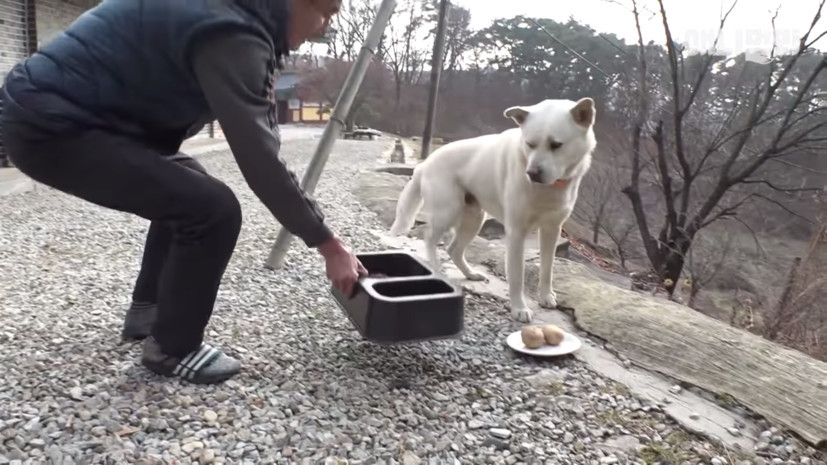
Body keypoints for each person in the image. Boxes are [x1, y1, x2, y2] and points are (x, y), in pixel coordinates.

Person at [0, 0, 368, 385]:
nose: (322, 26)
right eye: (325, 12)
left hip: (61, 111)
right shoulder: (234, 32)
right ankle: (174, 348)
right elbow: (260, 159)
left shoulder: (231, 15)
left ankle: (148, 312)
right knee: (214, 210)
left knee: (191, 190)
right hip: (55, 125)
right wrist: (328, 244)